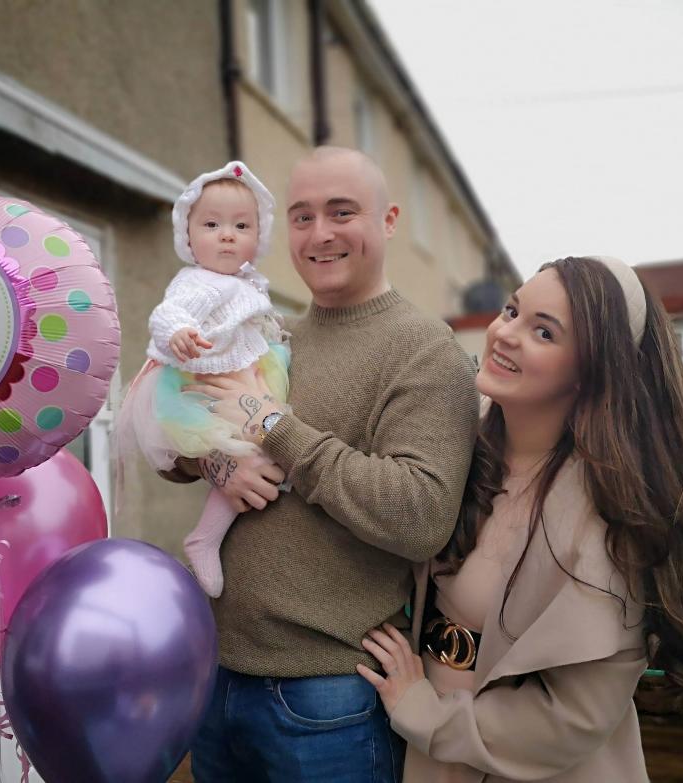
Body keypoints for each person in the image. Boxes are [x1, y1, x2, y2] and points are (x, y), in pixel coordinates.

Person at [356, 256, 683, 782]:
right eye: (512, 311)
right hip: (430, 752)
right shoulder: (462, 452)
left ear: (591, 373)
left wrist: (422, 710)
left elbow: (571, 721)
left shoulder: (615, 520)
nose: (505, 334)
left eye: (543, 332)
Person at [165, 146, 480, 781]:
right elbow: (179, 439)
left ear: (389, 220)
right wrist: (214, 465)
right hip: (218, 676)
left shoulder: (425, 349)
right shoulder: (271, 335)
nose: (321, 234)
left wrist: (276, 428)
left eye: (343, 212)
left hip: (327, 698)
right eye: (303, 217)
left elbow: (420, 514)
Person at [116, 160, 289, 597]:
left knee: (266, 454)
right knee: (253, 457)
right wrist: (178, 333)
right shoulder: (197, 283)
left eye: (241, 225)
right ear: (189, 238)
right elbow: (166, 313)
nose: (227, 234)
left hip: (245, 379)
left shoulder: (248, 284)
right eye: (212, 224)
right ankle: (205, 538)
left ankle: (209, 535)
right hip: (203, 387)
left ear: (258, 237)